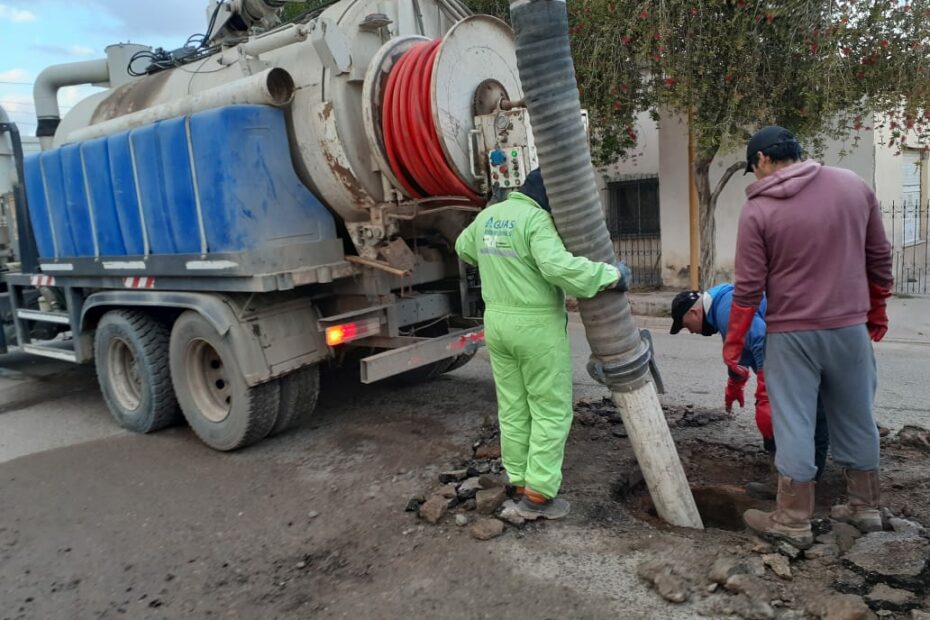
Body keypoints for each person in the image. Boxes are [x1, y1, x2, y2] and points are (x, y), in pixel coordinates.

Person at [725, 126, 893, 548]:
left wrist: (733, 345)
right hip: (849, 328)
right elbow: (879, 256)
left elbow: (747, 290)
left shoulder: (758, 210)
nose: (756, 178)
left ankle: (793, 520)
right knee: (856, 415)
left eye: (753, 169)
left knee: (796, 422)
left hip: (792, 335)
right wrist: (877, 309)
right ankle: (865, 508)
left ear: (762, 159)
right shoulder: (854, 187)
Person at [455, 169, 628, 520]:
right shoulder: (536, 221)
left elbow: (463, 247)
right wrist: (612, 275)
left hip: (497, 323)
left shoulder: (490, 215)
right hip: (535, 326)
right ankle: (538, 494)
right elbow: (557, 268)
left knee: (513, 406)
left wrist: (495, 261)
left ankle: (518, 481)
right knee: (550, 409)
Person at [669, 285, 829, 495]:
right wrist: (735, 381)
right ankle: (789, 481)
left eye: (686, 325)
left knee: (810, 417)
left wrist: (765, 392)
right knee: (793, 416)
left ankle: (800, 490)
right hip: (800, 348)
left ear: (694, 312)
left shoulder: (726, 310)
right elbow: (736, 345)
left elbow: (762, 341)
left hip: (803, 351)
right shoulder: (721, 304)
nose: (690, 331)